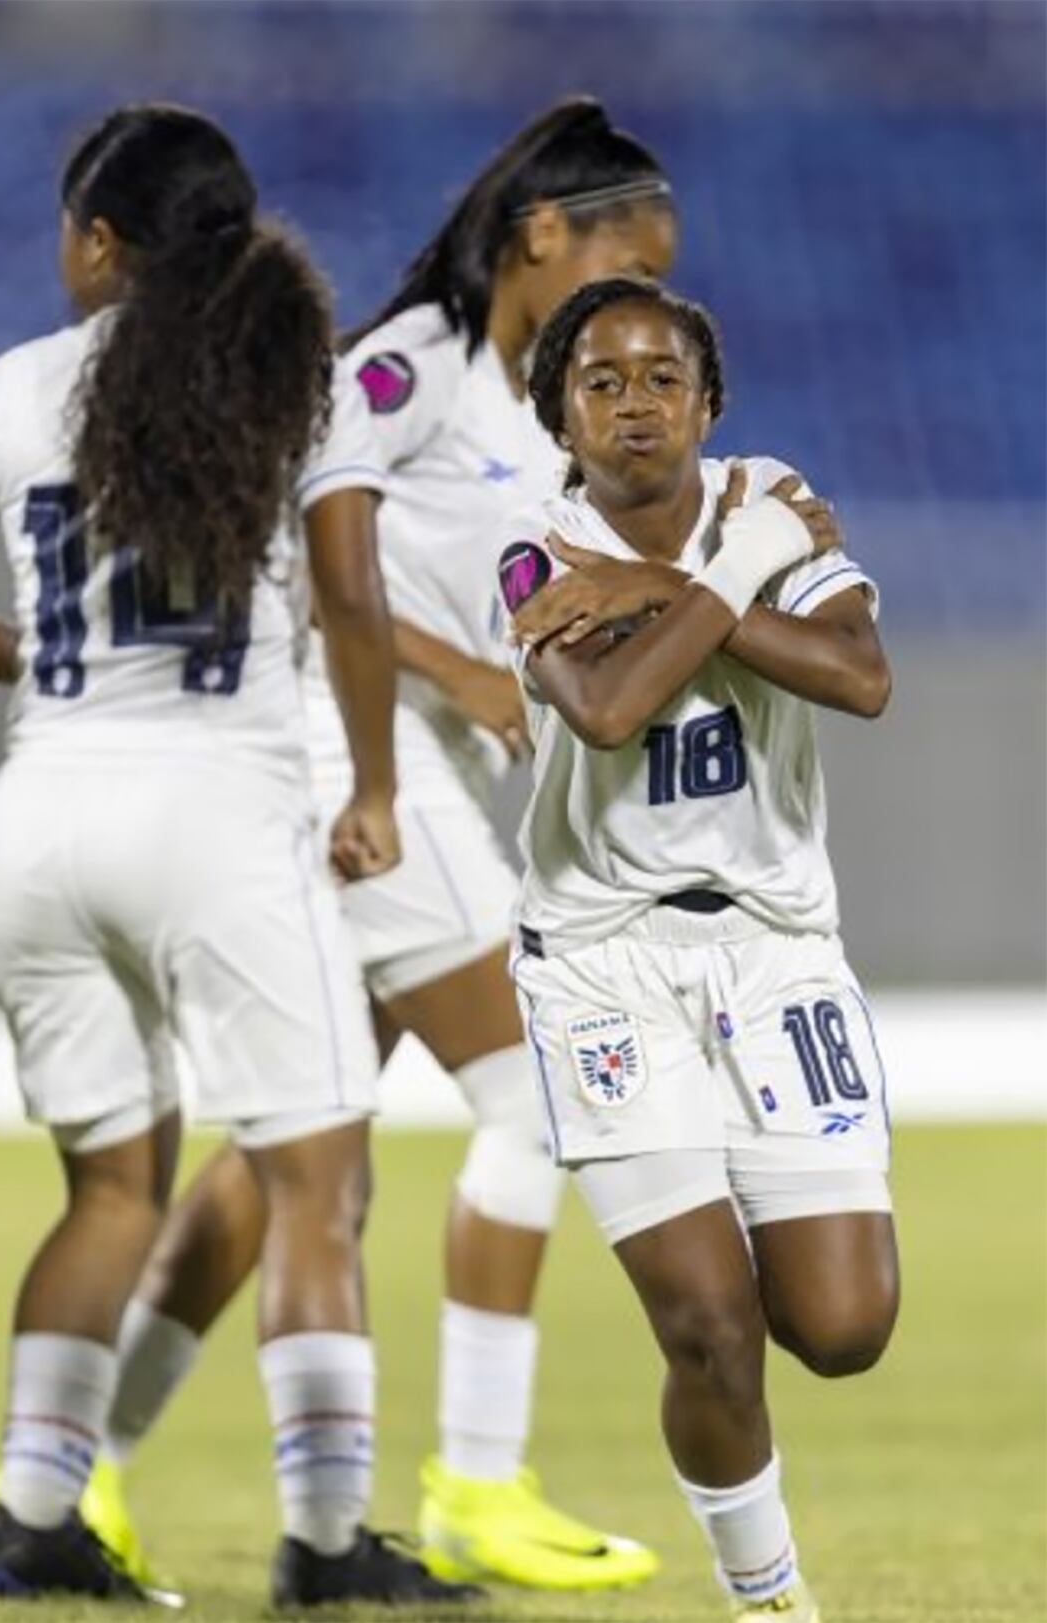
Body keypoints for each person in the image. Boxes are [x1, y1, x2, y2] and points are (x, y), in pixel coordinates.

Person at [0, 103, 481, 1612]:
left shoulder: (12, 388)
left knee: (111, 1194)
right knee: (316, 1181)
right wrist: (380, 788)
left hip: (43, 821)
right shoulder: (290, 381)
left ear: (98, 242)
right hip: (218, 817)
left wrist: (45, 661)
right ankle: (327, 1542)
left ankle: (29, 1517)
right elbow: (348, 596)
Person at [80, 96, 677, 1594]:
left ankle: (74, 1475)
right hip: (347, 758)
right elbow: (299, 550)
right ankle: (477, 1483)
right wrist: (461, 679)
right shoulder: (407, 366)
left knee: (289, 1161)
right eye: (629, 259)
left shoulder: (526, 410)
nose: (644, 295)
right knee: (542, 1100)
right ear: (543, 237)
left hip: (386, 772)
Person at [493, 275, 900, 1622]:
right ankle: (771, 1602)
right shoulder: (528, 547)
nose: (633, 404)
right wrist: (730, 578)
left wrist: (663, 584)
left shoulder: (766, 494)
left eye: (661, 376)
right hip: (603, 965)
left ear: (708, 403)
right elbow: (606, 710)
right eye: (599, 382)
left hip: (778, 954)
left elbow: (862, 679)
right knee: (710, 1332)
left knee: (842, 1331)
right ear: (561, 418)